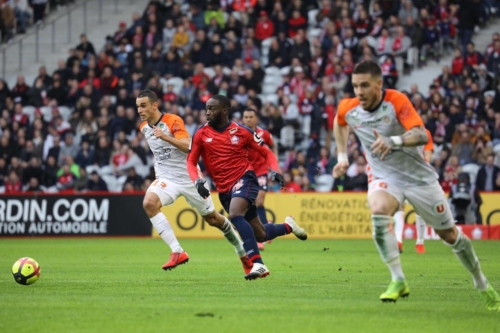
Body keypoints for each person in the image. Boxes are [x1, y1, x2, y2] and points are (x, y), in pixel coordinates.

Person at [332, 60, 500, 310]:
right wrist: (342, 157)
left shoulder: (396, 101)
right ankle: (398, 279)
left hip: (419, 179)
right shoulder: (350, 107)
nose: (359, 91)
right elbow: (339, 121)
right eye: (356, 86)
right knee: (378, 210)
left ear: (379, 84)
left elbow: (421, 134)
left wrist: (394, 140)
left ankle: (481, 282)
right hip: (384, 176)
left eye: (365, 85)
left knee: (449, 235)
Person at [187, 95, 308, 280]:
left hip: (246, 179)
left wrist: (275, 170)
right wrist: (197, 181)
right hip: (224, 189)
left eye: (212, 109)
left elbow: (266, 152)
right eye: (207, 108)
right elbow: (191, 162)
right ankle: (288, 226)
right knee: (261, 234)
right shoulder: (200, 134)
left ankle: (257, 263)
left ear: (224, 111)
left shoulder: (241, 131)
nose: (207, 112)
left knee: (235, 215)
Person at [136, 90, 250, 273]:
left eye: (143, 105)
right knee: (149, 203)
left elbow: (188, 147)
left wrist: (165, 137)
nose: (139, 110)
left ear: (154, 105)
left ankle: (242, 252)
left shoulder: (172, 121)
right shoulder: (144, 128)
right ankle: (177, 251)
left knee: (214, 219)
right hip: (166, 178)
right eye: (138, 106)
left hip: (190, 178)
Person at [242, 108, 278, 251]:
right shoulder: (239, 133)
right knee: (247, 204)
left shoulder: (264, 134)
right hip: (245, 171)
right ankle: (264, 225)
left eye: (251, 116)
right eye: (246, 117)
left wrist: (274, 161)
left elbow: (273, 144)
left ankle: (260, 237)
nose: (248, 119)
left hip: (261, 170)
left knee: (259, 200)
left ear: (256, 119)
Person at [393, 129, 434, 254]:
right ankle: (398, 241)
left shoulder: (425, 133)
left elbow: (428, 152)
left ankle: (420, 242)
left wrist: (423, 164)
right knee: (399, 207)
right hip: (401, 175)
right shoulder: (399, 133)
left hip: (418, 176)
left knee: (419, 209)